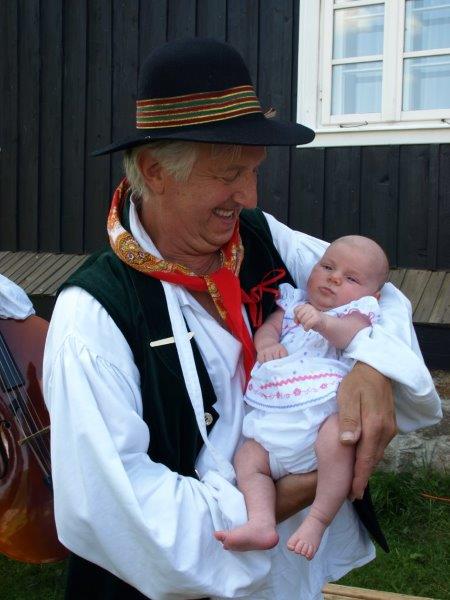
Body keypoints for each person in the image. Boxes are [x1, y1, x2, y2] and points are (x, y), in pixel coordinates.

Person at [43, 38, 441, 600]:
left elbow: (378, 291)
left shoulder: (259, 234)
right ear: (156, 171)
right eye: (230, 173)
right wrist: (292, 493)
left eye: (254, 171)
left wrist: (372, 366)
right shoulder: (93, 318)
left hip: (285, 573)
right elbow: (119, 510)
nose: (248, 195)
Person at [215, 235, 392, 559]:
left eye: (351, 278)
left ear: (373, 295)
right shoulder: (292, 302)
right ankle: (261, 521)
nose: (334, 278)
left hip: (320, 418)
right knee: (248, 458)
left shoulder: (356, 312)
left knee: (338, 440)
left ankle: (317, 519)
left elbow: (347, 335)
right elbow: (269, 328)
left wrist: (323, 322)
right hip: (276, 420)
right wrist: (267, 344)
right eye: (327, 267)